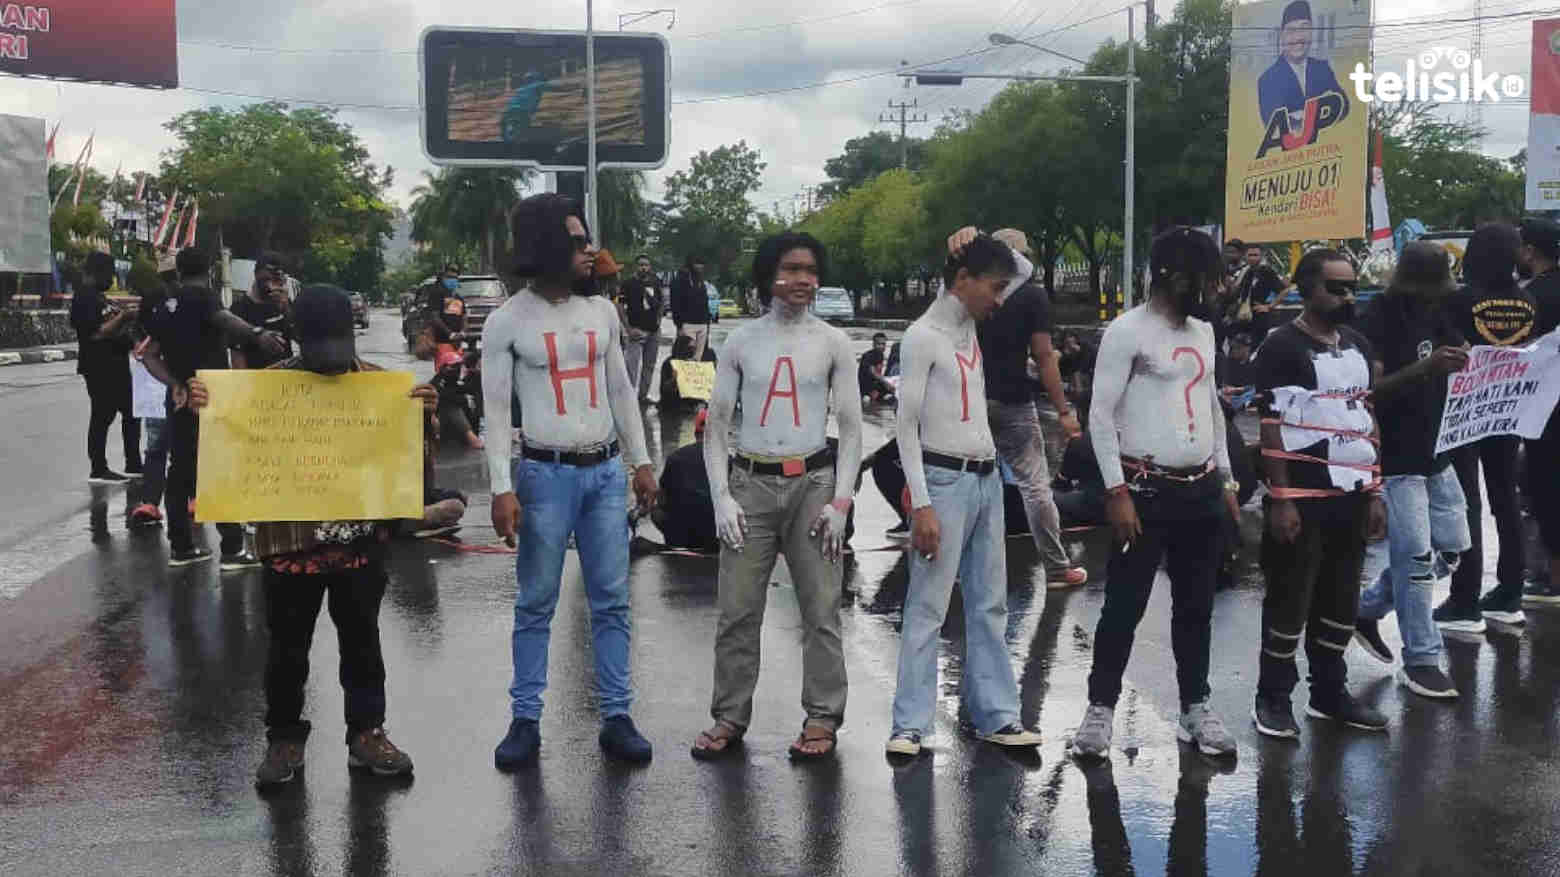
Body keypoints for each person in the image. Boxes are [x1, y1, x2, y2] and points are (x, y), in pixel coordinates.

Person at [186, 285, 432, 789]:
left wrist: (422, 418)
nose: (332, 361)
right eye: (321, 349)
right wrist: (207, 411)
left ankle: (367, 734)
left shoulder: (383, 389)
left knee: (363, 646)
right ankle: (284, 739)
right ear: (297, 338)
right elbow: (229, 450)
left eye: (339, 347)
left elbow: (413, 473)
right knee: (286, 650)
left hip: (359, 547)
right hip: (288, 546)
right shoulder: (263, 392)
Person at [483, 194, 659, 767]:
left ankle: (617, 715)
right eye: (579, 242)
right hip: (544, 476)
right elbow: (494, 412)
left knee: (611, 601)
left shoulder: (602, 314)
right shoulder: (507, 320)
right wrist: (500, 489)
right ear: (546, 247)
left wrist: (642, 462)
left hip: (605, 473)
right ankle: (525, 721)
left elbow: (622, 393)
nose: (592, 251)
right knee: (536, 602)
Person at [689, 231, 863, 763]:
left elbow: (853, 428)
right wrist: (722, 497)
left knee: (821, 610)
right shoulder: (742, 341)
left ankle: (822, 717)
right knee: (738, 611)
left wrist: (842, 501)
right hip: (750, 484)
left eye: (810, 270)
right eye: (790, 269)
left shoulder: (833, 343)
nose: (801, 281)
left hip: (814, 485)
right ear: (768, 275)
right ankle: (729, 715)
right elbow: (716, 426)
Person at [1073, 227, 1241, 761]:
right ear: (1173, 275)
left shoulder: (1204, 332)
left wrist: (1229, 480)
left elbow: (1212, 406)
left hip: (1202, 488)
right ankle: (1100, 710)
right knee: (1124, 605)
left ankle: (1196, 707)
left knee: (1196, 606)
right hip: (1142, 491)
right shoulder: (1128, 332)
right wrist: (1116, 492)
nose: (1215, 288)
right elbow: (1098, 415)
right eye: (1206, 278)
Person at [885, 233, 1043, 758]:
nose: (1000, 298)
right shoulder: (923, 336)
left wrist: (984, 238)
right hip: (943, 478)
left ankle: (996, 715)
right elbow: (905, 426)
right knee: (928, 605)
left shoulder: (971, 326)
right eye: (992, 288)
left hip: (986, 478)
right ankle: (910, 723)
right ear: (962, 281)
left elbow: (1021, 271)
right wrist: (922, 502)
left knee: (989, 603)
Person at [1248, 248, 1388, 739]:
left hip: (1351, 493)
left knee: (1341, 597)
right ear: (1307, 288)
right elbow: (1270, 427)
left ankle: (1330, 692)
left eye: (1351, 286)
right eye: (1336, 287)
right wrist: (1282, 497)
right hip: (1303, 497)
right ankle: (1273, 697)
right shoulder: (1280, 347)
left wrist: (1374, 489)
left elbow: (1365, 418)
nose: (1346, 296)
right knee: (1290, 597)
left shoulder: (1355, 343)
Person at [1350, 241, 1472, 700]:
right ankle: (1421, 659)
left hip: (1437, 452)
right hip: (1397, 458)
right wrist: (1427, 366)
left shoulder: (1436, 310)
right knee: (1417, 562)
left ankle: (1367, 609)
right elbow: (1368, 391)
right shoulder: (1378, 317)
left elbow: (1456, 353)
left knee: (1452, 551)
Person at [956, 225, 1089, 589]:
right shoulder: (1032, 297)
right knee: (1035, 487)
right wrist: (1063, 410)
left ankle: (955, 567)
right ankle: (1058, 569)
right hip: (1014, 400)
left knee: (964, 481)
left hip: (970, 398)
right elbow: (1044, 356)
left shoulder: (968, 290)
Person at [139, 248, 285, 568]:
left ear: (177, 271)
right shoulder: (204, 298)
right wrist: (258, 334)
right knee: (220, 470)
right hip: (210, 395)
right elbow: (225, 320)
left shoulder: (166, 305)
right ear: (210, 271)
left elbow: (148, 355)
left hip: (180, 398)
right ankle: (232, 549)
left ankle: (181, 547)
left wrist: (175, 383)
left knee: (178, 473)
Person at [1437, 224, 1538, 630]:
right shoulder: (1528, 300)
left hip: (1464, 410)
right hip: (1507, 409)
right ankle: (1509, 592)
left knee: (1467, 503)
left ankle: (1464, 600)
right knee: (1505, 497)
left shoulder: (1459, 300)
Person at [71, 251, 141, 483]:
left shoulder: (99, 297)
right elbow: (96, 333)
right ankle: (98, 468)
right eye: (109, 273)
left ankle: (133, 462)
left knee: (131, 413)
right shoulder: (84, 298)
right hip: (100, 366)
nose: (111, 279)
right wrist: (124, 318)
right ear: (96, 272)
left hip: (116, 364)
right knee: (102, 415)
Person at [1519, 218, 1560, 606]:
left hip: (1545, 408)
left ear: (1530, 251)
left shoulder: (1531, 297)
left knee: (1546, 486)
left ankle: (1554, 577)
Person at [1257, 1, 1349, 139]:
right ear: (1281, 35)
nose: (1298, 37)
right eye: (1291, 30)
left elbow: (1343, 105)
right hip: (1286, 157)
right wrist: (1322, 109)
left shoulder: (1322, 68)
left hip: (1324, 150)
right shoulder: (1268, 79)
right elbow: (1274, 126)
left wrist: (1301, 117)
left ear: (1311, 31)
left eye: (1304, 28)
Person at [652, 409, 719, 553]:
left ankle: (675, 543)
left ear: (695, 433)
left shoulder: (675, 457)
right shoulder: (727, 461)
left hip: (678, 534)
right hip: (713, 536)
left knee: (656, 510)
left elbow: (662, 498)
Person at [229, 252, 295, 369]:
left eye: (278, 276)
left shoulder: (284, 303)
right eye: (269, 274)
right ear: (256, 274)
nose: (272, 282)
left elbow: (300, 337)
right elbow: (237, 355)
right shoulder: (240, 308)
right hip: (256, 380)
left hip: (286, 379)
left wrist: (285, 307)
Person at [621, 254, 664, 403]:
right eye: (640, 265)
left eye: (646, 265)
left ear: (650, 266)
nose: (643, 267)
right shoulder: (628, 283)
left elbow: (661, 302)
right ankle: (628, 397)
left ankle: (643, 396)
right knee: (631, 366)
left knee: (649, 365)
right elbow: (620, 306)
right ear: (636, 266)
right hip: (636, 330)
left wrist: (659, 320)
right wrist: (628, 329)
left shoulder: (656, 282)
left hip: (654, 331)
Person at [431, 347, 484, 450]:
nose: (457, 368)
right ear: (443, 368)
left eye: (458, 365)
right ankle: (472, 439)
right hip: (442, 426)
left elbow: (471, 388)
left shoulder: (457, 381)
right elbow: (446, 396)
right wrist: (464, 398)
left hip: (461, 429)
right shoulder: (436, 383)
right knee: (451, 406)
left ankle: (474, 435)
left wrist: (475, 372)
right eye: (453, 366)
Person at [659, 334, 717, 411]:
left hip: (690, 401)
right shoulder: (669, 363)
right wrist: (673, 379)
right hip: (673, 402)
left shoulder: (694, 363)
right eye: (690, 348)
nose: (692, 351)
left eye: (693, 348)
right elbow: (664, 390)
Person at [671, 256, 711, 359]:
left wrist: (707, 322)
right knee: (685, 356)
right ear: (690, 264)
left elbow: (705, 303)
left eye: (702, 264)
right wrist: (679, 325)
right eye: (697, 263)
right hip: (687, 324)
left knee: (699, 358)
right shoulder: (681, 279)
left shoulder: (701, 281)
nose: (700, 266)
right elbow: (675, 304)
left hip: (702, 324)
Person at [421, 263, 467, 342]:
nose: (452, 280)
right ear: (443, 278)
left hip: (457, 342)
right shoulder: (436, 294)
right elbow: (435, 317)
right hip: (440, 342)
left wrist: (463, 332)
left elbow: (464, 317)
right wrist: (450, 334)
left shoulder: (459, 297)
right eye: (449, 277)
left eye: (455, 278)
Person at [858, 332, 895, 403]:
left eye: (883, 344)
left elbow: (879, 374)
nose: (881, 346)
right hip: (866, 387)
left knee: (892, 394)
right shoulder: (868, 356)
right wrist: (885, 383)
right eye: (879, 344)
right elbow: (873, 372)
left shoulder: (881, 355)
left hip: (876, 384)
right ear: (873, 344)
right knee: (868, 400)